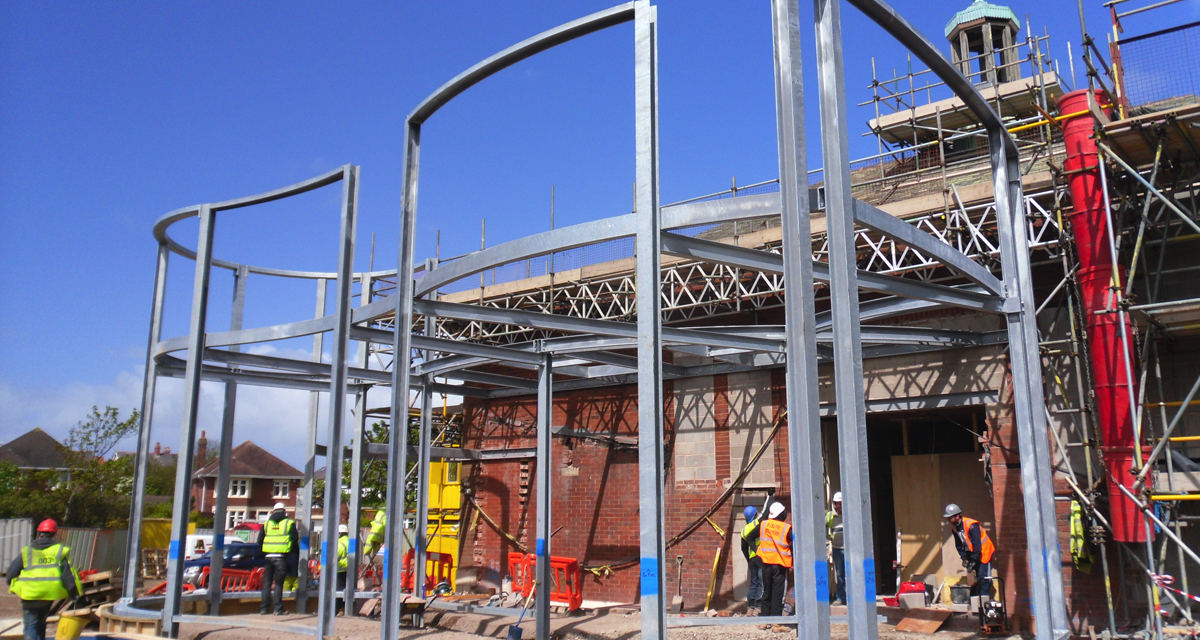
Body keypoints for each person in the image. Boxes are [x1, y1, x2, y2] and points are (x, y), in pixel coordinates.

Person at [6, 519, 82, 640]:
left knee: (30, 624)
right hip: (48, 594)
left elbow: (11, 572)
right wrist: (74, 593)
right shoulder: (58, 551)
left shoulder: (28, 551)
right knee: (41, 623)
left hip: (30, 594)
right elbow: (67, 575)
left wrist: (11, 584)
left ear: (39, 533)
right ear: (54, 533)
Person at [745, 501, 793, 629]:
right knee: (778, 593)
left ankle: (764, 620)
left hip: (765, 563)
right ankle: (776, 623)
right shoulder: (786, 528)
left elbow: (749, 537)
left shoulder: (763, 525)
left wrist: (757, 551)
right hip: (780, 564)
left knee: (766, 591)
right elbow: (794, 543)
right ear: (781, 514)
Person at [943, 504, 995, 597]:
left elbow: (977, 544)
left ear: (957, 516)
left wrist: (973, 560)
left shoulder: (971, 525)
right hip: (974, 553)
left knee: (983, 578)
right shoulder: (954, 527)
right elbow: (959, 544)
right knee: (975, 579)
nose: (948, 520)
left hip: (984, 552)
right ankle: (976, 602)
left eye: (950, 517)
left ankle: (985, 603)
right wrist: (964, 558)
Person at [258, 503, 298, 615]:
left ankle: (264, 609)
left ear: (273, 511)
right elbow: (294, 538)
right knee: (279, 584)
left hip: (268, 557)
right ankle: (277, 609)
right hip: (281, 556)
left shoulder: (267, 524)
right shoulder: (289, 523)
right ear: (284, 511)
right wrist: (288, 550)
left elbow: (259, 539)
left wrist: (265, 551)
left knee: (267, 583)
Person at [740, 505, 763, 613]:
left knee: (754, 582)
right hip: (760, 555)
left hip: (752, 558)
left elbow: (743, 548)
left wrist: (748, 560)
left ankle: (750, 606)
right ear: (755, 515)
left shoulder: (744, 530)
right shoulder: (758, 523)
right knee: (761, 581)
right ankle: (758, 606)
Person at [826, 492, 846, 606]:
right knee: (840, 574)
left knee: (852, 573)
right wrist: (826, 541)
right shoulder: (830, 516)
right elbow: (821, 527)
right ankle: (840, 597)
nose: (840, 506)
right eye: (838, 504)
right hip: (837, 549)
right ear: (834, 504)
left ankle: (852, 597)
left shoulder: (849, 514)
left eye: (841, 503)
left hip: (849, 549)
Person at [336, 524, 350, 592]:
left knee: (339, 594)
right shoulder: (350, 542)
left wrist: (321, 568)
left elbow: (334, 558)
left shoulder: (340, 544)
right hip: (350, 571)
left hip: (340, 572)